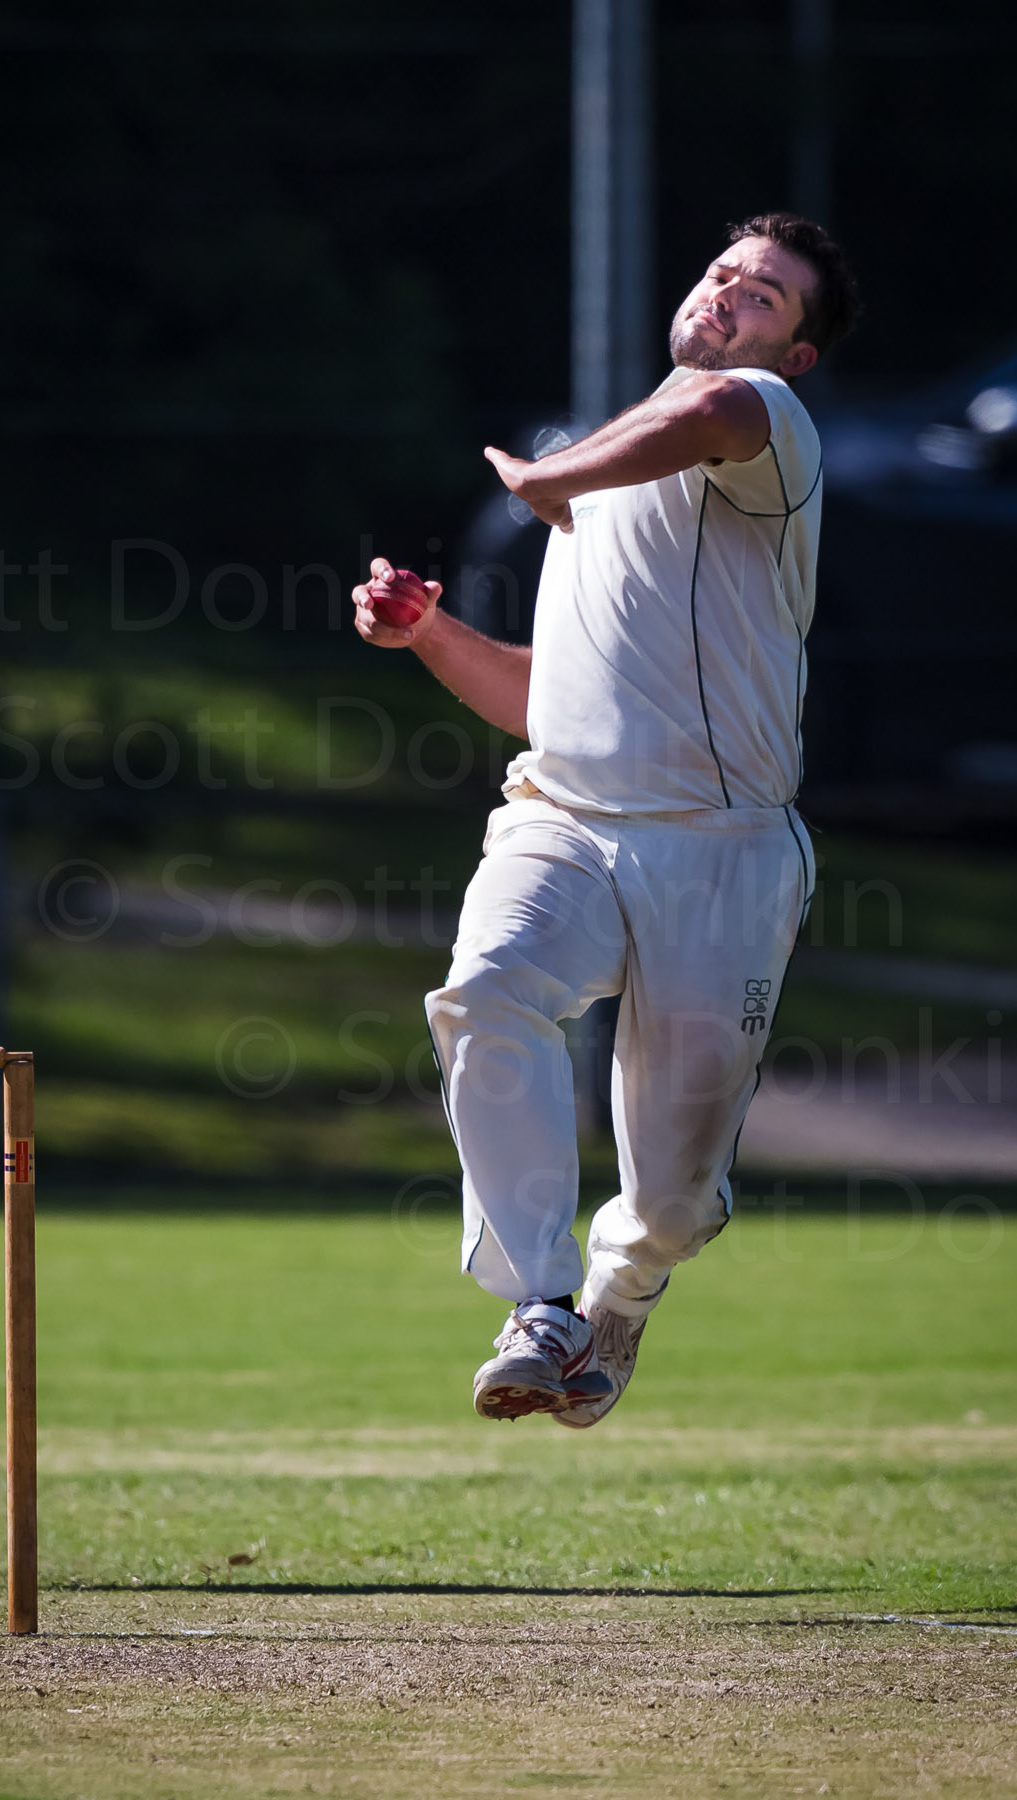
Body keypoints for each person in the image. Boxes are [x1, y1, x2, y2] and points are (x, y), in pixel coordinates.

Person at [352, 212, 861, 1425]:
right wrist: (429, 634)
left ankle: (621, 1293)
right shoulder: (603, 483)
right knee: (485, 990)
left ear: (795, 354)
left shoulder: (768, 420)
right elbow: (547, 700)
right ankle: (539, 1303)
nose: (729, 294)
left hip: (723, 849)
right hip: (566, 815)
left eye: (765, 296)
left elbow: (709, 411)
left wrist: (548, 480)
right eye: (723, 273)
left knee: (674, 1200)